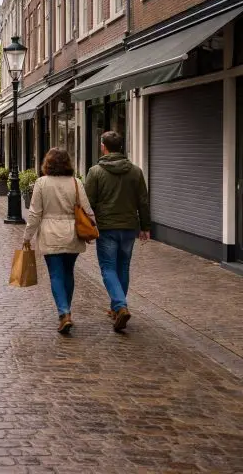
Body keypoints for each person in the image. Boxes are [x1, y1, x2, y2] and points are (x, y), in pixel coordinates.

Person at [23, 148, 96, 334]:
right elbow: (87, 209)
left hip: (50, 234)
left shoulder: (41, 183)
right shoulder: (76, 182)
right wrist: (91, 229)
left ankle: (64, 313)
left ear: (47, 164)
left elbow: (35, 213)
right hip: (72, 233)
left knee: (56, 274)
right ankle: (66, 310)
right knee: (68, 272)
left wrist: (27, 236)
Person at [85, 131, 150, 332]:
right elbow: (143, 201)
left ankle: (120, 306)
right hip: (129, 227)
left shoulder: (95, 172)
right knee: (123, 267)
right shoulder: (136, 171)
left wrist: (89, 226)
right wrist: (145, 226)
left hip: (107, 227)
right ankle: (116, 308)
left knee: (108, 268)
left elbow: (89, 202)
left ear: (104, 146)